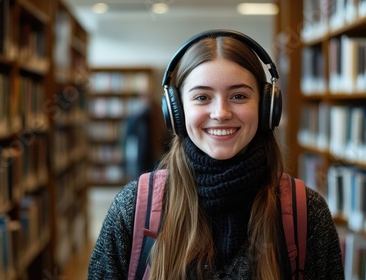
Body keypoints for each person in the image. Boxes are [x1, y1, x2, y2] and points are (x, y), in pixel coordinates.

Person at [87, 29, 345, 279]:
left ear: (267, 107)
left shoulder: (306, 213)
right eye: (201, 97)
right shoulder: (132, 210)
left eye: (239, 95)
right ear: (176, 111)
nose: (221, 113)